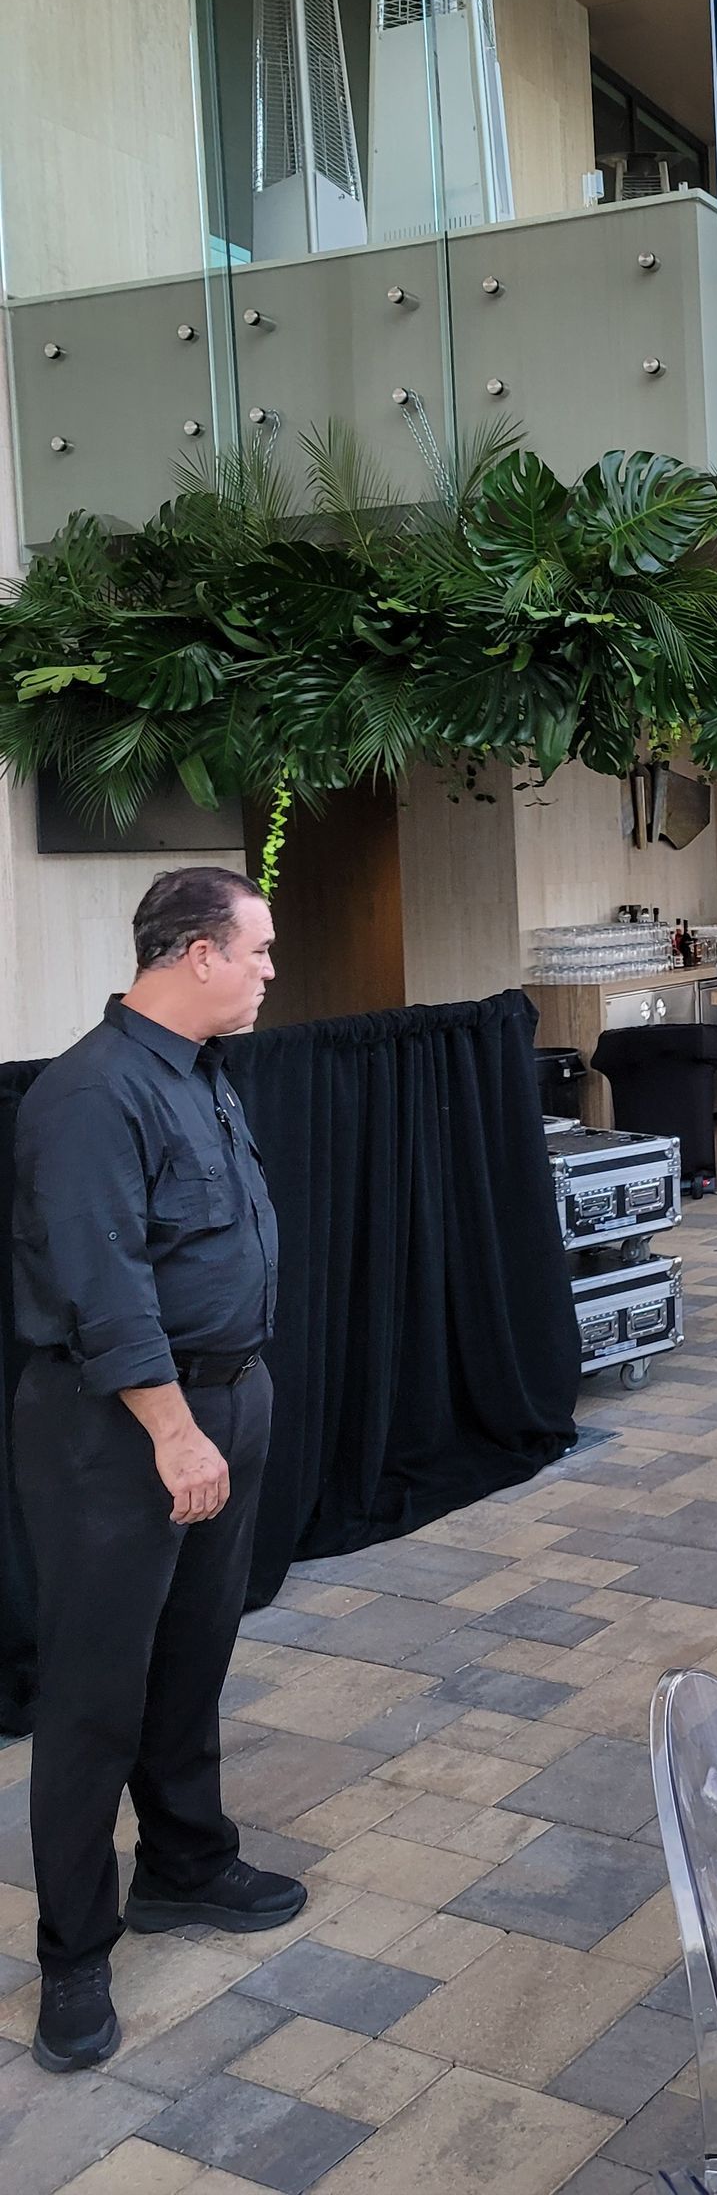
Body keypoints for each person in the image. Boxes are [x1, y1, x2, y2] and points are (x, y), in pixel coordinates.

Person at [10, 867, 305, 2073]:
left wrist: (223, 1411)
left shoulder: (201, 1075)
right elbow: (104, 1280)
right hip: (121, 1426)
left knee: (194, 1654)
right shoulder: (91, 1092)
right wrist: (174, 1427)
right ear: (194, 952)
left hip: (227, 1398)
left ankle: (184, 1861)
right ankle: (73, 1953)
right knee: (94, 1693)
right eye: (260, 948)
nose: (271, 967)